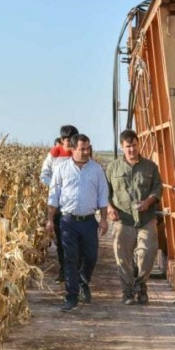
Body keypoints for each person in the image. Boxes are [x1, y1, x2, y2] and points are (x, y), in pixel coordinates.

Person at [46, 133, 109, 312]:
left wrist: (103, 220)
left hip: (89, 221)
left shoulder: (96, 170)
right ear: (72, 149)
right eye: (82, 149)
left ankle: (83, 280)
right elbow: (53, 197)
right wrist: (50, 219)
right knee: (70, 258)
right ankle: (71, 296)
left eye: (87, 148)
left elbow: (103, 196)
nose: (85, 151)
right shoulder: (61, 169)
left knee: (91, 256)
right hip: (68, 221)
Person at [106, 129, 163, 305]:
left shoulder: (150, 167)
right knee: (121, 256)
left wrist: (149, 201)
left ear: (139, 145)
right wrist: (109, 208)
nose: (132, 149)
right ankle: (128, 292)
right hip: (123, 218)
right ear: (122, 147)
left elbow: (158, 188)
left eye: (134, 145)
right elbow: (105, 192)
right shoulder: (113, 168)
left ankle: (141, 285)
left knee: (148, 252)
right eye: (128, 146)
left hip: (146, 217)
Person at [39, 125, 79, 283]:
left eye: (73, 140)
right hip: (58, 205)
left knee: (76, 241)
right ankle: (64, 271)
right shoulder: (54, 153)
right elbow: (44, 175)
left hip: (75, 204)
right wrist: (55, 186)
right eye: (67, 140)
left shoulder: (80, 154)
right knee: (62, 241)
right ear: (62, 140)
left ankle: (75, 271)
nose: (70, 143)